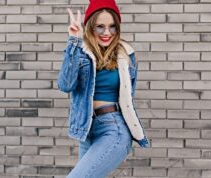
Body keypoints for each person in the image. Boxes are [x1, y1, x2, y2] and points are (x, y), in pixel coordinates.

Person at [57, 0, 150, 177]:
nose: (107, 33)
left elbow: (128, 98)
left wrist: (121, 144)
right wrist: (73, 41)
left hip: (113, 128)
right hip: (87, 128)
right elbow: (65, 85)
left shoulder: (126, 55)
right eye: (100, 26)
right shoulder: (80, 51)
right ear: (90, 26)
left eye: (112, 26)